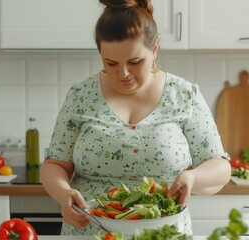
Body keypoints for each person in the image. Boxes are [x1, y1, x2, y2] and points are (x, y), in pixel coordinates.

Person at [40, 0, 231, 235]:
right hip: (90, 232)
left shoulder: (183, 95)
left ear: (155, 50)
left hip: (162, 234)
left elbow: (220, 167)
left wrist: (193, 177)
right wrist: (63, 194)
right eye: (111, 63)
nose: (123, 73)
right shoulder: (80, 96)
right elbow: (55, 165)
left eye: (135, 62)